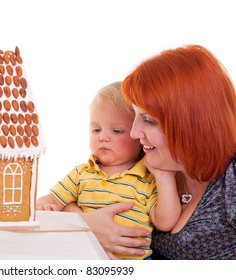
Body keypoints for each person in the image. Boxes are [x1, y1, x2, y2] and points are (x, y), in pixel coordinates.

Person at [75, 45, 236, 260]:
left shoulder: (230, 179)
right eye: (134, 116)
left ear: (192, 124)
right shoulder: (145, 160)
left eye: (149, 120)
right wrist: (86, 224)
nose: (134, 133)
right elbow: (77, 189)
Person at [36, 81, 181, 259]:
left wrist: (165, 178)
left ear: (138, 136)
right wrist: (44, 206)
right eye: (96, 129)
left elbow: (165, 222)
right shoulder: (82, 173)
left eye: (117, 131)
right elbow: (52, 200)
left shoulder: (147, 178)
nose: (103, 137)